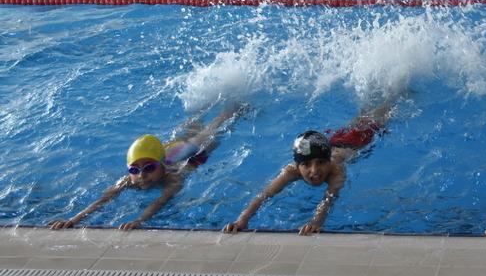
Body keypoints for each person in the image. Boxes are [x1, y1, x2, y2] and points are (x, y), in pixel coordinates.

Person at [48, 103, 247, 231]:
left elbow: (159, 202)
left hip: (188, 154)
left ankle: (233, 107)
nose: (142, 175)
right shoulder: (128, 180)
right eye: (134, 170)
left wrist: (140, 220)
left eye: (149, 168)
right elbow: (102, 200)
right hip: (165, 151)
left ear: (161, 168)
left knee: (211, 135)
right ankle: (203, 106)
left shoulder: (173, 179)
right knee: (188, 129)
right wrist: (74, 219)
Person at [223, 97, 398, 236]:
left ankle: (393, 96)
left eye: (321, 162)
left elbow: (329, 199)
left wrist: (316, 222)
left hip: (360, 141)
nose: (314, 171)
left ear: (328, 161)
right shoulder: (291, 170)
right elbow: (264, 195)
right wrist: (242, 220)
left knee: (378, 117)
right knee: (361, 118)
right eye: (306, 165)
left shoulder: (337, 171)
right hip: (335, 141)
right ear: (297, 165)